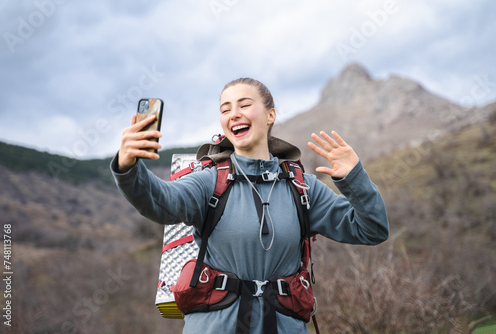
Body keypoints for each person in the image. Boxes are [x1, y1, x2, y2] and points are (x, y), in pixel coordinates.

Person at [111, 78, 389, 334]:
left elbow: (372, 229)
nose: (234, 114)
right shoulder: (208, 182)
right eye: (225, 109)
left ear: (270, 115)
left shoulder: (303, 188)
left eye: (245, 105)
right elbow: (159, 202)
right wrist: (128, 166)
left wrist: (355, 178)